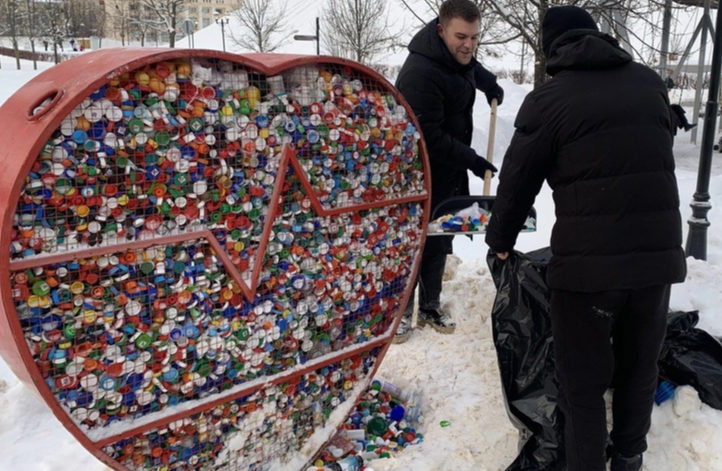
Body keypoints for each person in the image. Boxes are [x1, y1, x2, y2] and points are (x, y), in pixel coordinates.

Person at [485, 6, 686, 471]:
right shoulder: (649, 83)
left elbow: (517, 182)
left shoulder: (550, 99)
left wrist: (499, 240)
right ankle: (630, 457)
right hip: (656, 262)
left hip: (588, 272)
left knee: (583, 383)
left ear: (551, 48)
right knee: (639, 369)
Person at [394, 0, 503, 343]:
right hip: (419, 171)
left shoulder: (455, 56)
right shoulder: (421, 73)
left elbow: (471, 68)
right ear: (441, 31)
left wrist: (491, 85)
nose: (468, 45)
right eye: (461, 37)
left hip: (448, 169)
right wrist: (473, 160)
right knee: (414, 241)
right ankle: (397, 313)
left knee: (441, 235)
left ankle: (428, 305)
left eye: (474, 37)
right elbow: (429, 136)